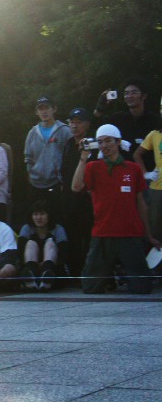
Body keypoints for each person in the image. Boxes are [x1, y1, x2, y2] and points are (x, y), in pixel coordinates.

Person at [72, 124, 161, 294]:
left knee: (142, 288)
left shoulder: (133, 168)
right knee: (90, 288)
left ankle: (121, 272)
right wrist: (83, 159)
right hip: (103, 233)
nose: (104, 145)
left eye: (108, 141)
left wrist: (149, 235)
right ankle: (109, 275)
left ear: (118, 141)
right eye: (100, 142)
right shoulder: (93, 167)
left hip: (130, 234)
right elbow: (76, 187)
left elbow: (141, 204)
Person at [93, 77, 162, 168]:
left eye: (134, 92)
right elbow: (98, 127)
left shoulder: (155, 120)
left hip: (149, 172)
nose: (129, 96)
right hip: (123, 172)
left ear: (144, 96)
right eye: (126, 93)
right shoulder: (118, 119)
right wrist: (100, 106)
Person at [24, 96, 71, 220]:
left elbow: (70, 157)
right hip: (35, 184)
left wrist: (63, 181)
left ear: (54, 109)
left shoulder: (65, 131)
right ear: (36, 112)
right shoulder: (32, 132)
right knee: (36, 218)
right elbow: (28, 157)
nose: (44, 111)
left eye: (47, 108)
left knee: (56, 218)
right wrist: (30, 174)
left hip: (56, 183)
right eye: (40, 109)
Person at [60, 108, 94, 278]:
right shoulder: (68, 143)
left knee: (87, 237)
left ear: (87, 124)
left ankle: (88, 272)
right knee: (71, 235)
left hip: (87, 199)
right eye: (71, 122)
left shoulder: (93, 144)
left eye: (78, 122)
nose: (74, 126)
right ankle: (73, 273)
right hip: (68, 199)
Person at [18, 200, 68, 291]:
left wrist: (44, 265)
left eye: (42, 214)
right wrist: (36, 266)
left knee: (50, 243)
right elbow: (20, 253)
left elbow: (63, 254)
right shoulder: (27, 228)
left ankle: (46, 277)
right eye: (35, 214)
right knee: (31, 243)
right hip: (31, 267)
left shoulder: (58, 229)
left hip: (53, 270)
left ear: (49, 216)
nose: (38, 217)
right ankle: (31, 275)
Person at [134, 121, 162, 242]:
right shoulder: (155, 134)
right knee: (154, 226)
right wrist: (146, 174)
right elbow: (137, 154)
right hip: (157, 187)